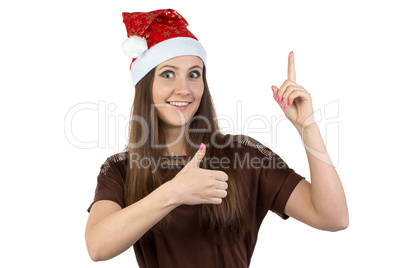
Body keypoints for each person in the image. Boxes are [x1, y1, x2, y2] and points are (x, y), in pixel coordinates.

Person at [85, 9, 348, 268]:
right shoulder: (121, 169)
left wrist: (308, 127)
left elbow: (333, 217)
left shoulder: (243, 155)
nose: (183, 89)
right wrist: (175, 192)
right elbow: (97, 247)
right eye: (167, 74)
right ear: (145, 84)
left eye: (193, 74)